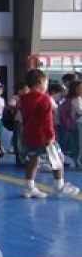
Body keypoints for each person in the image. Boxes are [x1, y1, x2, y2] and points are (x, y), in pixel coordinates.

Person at [18, 69, 79, 199]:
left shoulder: (23, 99)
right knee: (58, 159)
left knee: (34, 159)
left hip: (29, 135)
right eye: (46, 81)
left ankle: (28, 186)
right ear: (40, 82)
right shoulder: (44, 99)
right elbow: (47, 120)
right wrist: (51, 136)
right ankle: (59, 185)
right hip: (43, 136)